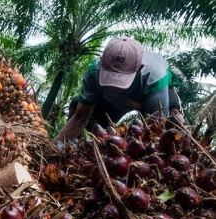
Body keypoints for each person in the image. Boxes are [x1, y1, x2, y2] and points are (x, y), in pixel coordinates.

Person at [55, 36, 184, 142]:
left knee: (172, 124)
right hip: (113, 104)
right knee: (78, 104)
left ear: (138, 69)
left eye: (120, 79)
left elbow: (157, 131)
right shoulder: (93, 71)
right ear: (102, 63)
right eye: (110, 77)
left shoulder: (154, 76)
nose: (114, 87)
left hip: (150, 96)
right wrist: (55, 146)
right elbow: (79, 118)